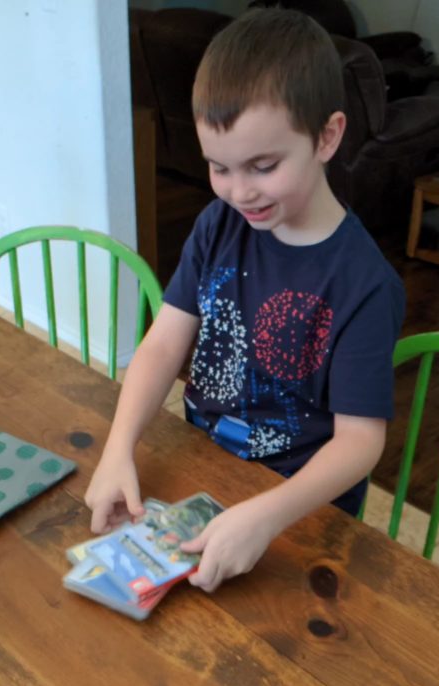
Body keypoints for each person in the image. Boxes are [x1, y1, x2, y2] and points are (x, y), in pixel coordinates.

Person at [84, 8, 405, 592]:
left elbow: (360, 442)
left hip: (298, 509)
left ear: (327, 136)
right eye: (219, 168)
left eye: (263, 166)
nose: (239, 192)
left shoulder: (365, 284)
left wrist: (266, 516)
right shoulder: (217, 225)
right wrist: (118, 449)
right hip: (204, 468)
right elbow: (162, 345)